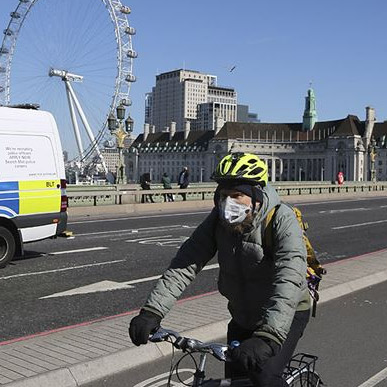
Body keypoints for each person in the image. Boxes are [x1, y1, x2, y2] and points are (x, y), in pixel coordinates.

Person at [129, 153, 310, 387]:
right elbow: (185, 264)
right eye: (223, 196)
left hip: (286, 313)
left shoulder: (281, 220)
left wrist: (269, 337)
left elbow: (289, 278)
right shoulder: (218, 220)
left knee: (263, 377)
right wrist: (152, 312)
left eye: (236, 196)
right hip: (242, 315)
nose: (228, 203)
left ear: (256, 197)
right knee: (235, 382)